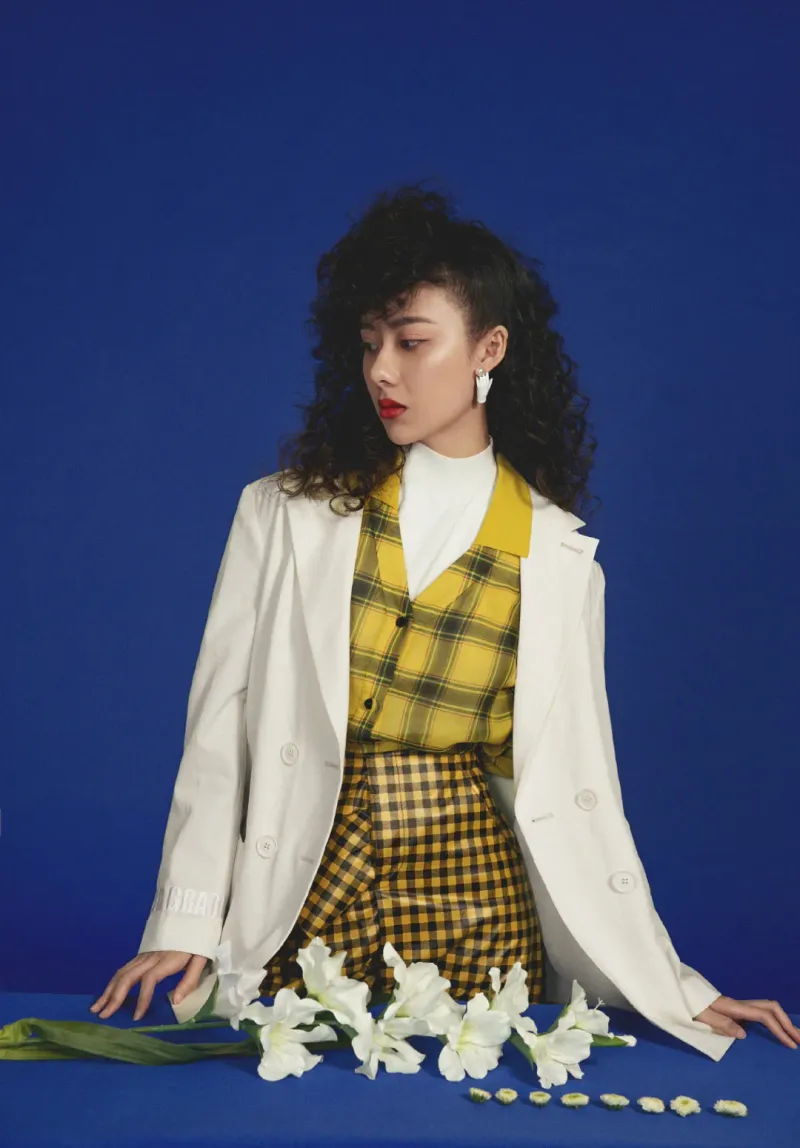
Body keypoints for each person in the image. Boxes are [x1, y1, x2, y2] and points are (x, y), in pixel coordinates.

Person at [91, 184, 799, 1054]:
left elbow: (583, 791)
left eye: (412, 341)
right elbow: (220, 725)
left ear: (488, 350)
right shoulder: (282, 513)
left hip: (476, 905)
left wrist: (675, 987)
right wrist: (188, 919)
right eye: (370, 344)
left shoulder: (558, 557)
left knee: (466, 1098)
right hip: (307, 886)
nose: (382, 370)